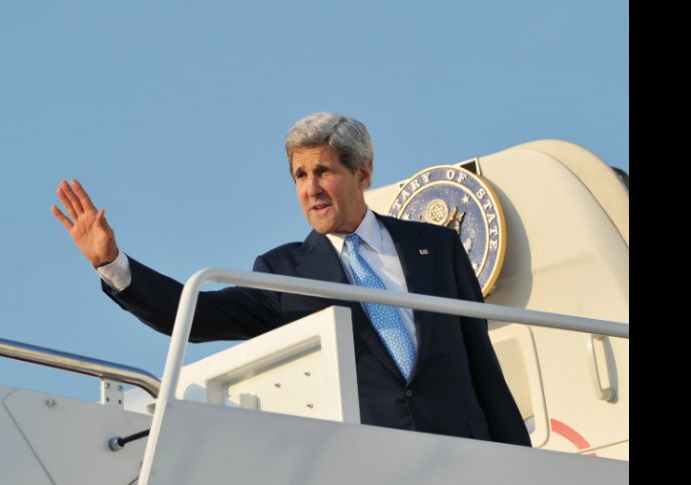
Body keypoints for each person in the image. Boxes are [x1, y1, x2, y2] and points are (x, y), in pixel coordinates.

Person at [52, 112, 531, 447]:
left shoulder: (437, 248)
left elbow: (483, 367)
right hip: (371, 461)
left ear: (362, 172)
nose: (310, 189)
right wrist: (114, 265)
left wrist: (524, 464)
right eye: (299, 175)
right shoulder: (285, 273)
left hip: (466, 455)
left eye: (323, 171)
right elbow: (199, 316)